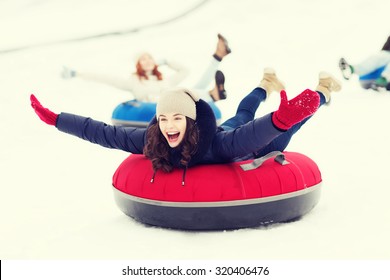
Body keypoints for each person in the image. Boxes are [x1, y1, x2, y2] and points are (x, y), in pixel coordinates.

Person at [30, 68, 341, 185]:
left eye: (177, 118)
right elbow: (104, 133)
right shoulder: (152, 141)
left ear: (190, 122)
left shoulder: (217, 146)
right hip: (229, 132)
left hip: (254, 144)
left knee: (277, 120)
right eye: (164, 119)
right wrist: (57, 119)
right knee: (243, 113)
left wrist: (278, 121)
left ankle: (323, 90)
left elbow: (249, 137)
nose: (169, 125)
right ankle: (266, 82)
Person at [61, 34, 231, 102]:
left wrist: (166, 61)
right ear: (138, 65)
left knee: (197, 87)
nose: (147, 60)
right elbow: (106, 78)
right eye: (143, 59)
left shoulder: (163, 79)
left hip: (178, 97)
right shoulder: (133, 81)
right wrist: (77, 73)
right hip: (164, 106)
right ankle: (212, 94)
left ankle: (218, 55)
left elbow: (185, 71)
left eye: (149, 57)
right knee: (193, 91)